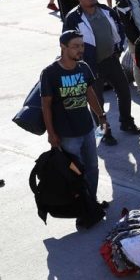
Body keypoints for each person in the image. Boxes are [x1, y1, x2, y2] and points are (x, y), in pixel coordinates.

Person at [64, 0, 140, 145]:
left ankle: (127, 122)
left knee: (124, 91)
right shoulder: (73, 18)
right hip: (90, 65)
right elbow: (67, 42)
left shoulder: (106, 10)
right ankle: (104, 131)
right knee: (96, 100)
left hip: (111, 60)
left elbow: (119, 28)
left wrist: (118, 47)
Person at [39, 31, 109, 215]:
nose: (80, 50)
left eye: (82, 46)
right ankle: (81, 208)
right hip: (66, 135)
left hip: (87, 129)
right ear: (63, 47)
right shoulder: (50, 73)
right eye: (75, 46)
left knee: (92, 168)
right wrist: (51, 133)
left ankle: (91, 202)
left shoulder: (83, 67)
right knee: (74, 174)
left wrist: (101, 116)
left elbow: (89, 94)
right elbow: (46, 105)